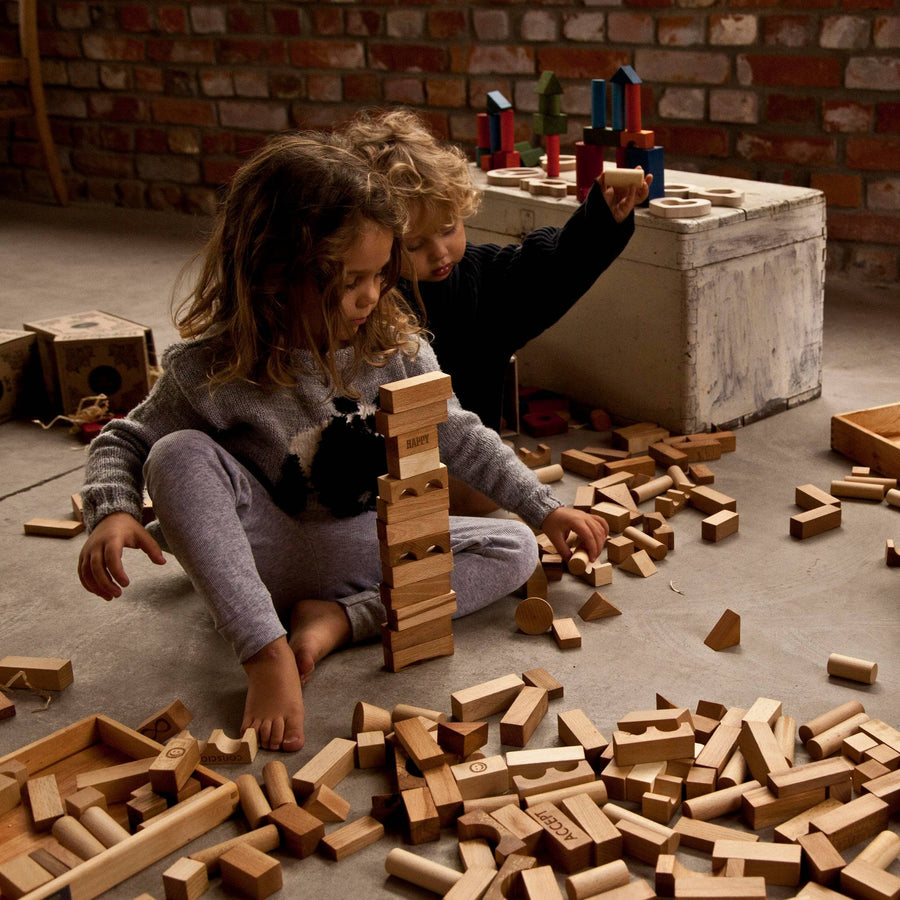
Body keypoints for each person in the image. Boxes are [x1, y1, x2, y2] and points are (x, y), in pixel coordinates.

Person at [77, 132, 609, 754]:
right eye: (351, 279)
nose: (371, 297)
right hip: (261, 553)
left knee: (513, 547)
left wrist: (542, 508)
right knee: (176, 455)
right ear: (276, 272)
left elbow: (457, 431)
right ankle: (265, 651)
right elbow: (125, 438)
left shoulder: (398, 347)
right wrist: (111, 511)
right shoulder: (210, 367)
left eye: (381, 276)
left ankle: (339, 620)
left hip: (361, 545)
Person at [341, 108, 652, 432]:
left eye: (448, 229)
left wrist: (602, 220)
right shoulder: (364, 304)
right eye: (414, 246)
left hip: (477, 468)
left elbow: (551, 271)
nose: (440, 253)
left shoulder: (481, 280)